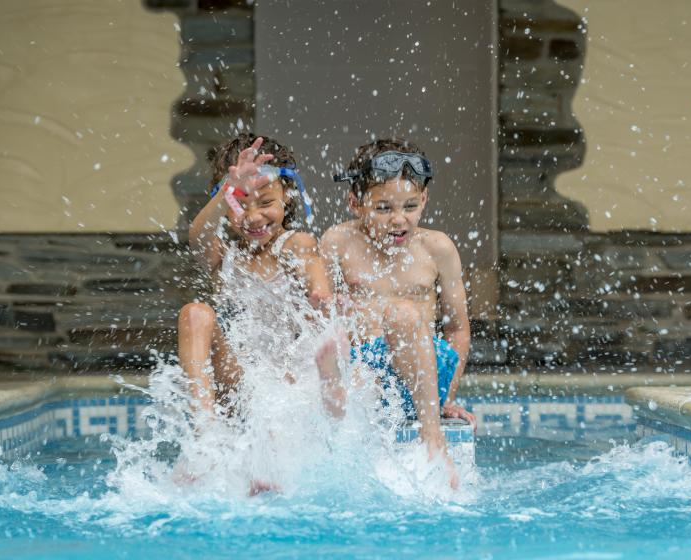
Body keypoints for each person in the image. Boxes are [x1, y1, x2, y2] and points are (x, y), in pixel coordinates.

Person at [321, 138, 474, 488]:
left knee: (402, 314)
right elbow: (325, 317)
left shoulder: (437, 247)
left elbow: (458, 330)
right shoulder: (338, 242)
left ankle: (433, 439)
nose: (398, 220)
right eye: (383, 208)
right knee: (332, 347)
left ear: (424, 200)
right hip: (366, 375)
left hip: (424, 373)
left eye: (409, 206)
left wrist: (445, 395)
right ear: (355, 203)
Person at [177, 132, 344, 420]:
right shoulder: (224, 258)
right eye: (240, 204)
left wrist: (320, 292)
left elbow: (310, 262)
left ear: (287, 196)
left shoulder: (293, 243)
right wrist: (228, 187)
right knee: (194, 314)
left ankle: (331, 383)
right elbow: (198, 238)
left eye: (265, 202)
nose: (253, 217)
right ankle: (205, 428)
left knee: (317, 340)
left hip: (293, 380)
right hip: (245, 383)